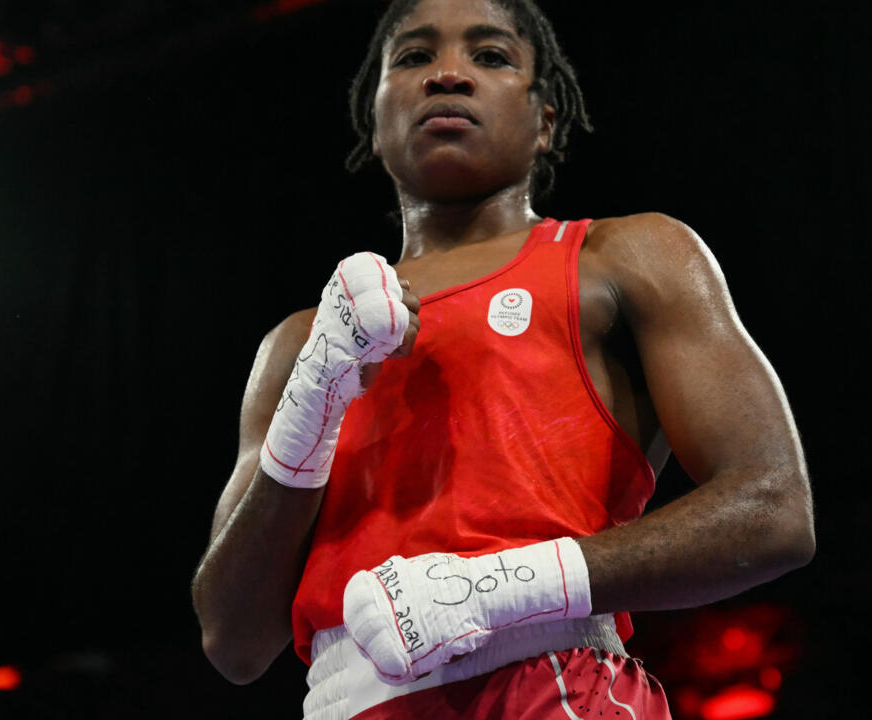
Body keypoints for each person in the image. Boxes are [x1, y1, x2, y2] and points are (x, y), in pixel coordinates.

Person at [192, 0, 815, 717]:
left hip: (548, 686)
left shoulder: (623, 259)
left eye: (489, 56)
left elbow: (773, 510)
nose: (448, 75)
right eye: (414, 56)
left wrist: (498, 587)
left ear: (546, 122)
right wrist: (314, 400)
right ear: (374, 113)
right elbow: (232, 641)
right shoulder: (300, 345)